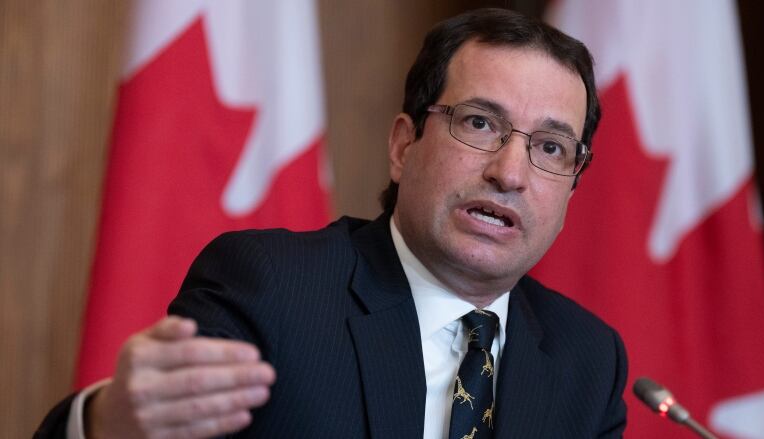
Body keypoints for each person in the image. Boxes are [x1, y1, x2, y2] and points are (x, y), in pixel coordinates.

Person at [37, 8, 627, 439]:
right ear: (403, 146)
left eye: (551, 148)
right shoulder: (271, 289)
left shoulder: (587, 362)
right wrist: (105, 425)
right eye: (478, 124)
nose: (511, 173)